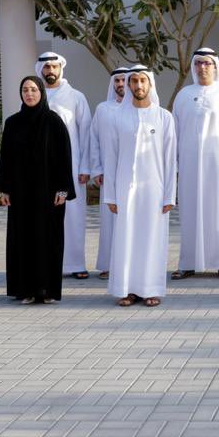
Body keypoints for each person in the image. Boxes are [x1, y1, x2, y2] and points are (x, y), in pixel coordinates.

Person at [102, 65, 176, 307]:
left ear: (150, 84)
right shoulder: (117, 117)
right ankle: (127, 289)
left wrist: (169, 196)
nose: (138, 86)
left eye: (142, 80)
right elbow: (110, 158)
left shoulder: (164, 117)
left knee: (151, 239)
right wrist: (110, 195)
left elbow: (169, 158)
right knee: (126, 238)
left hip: (154, 189)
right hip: (124, 189)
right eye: (133, 81)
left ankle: (150, 289)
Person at [0, 76, 76, 304]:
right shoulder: (13, 123)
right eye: (25, 90)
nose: (29, 94)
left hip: (48, 194)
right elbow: (6, 159)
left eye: (33, 89)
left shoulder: (54, 122)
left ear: (41, 92)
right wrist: (4, 189)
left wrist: (63, 190)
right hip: (21, 194)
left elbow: (65, 158)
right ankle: (26, 290)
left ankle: (47, 289)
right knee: (22, 239)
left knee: (48, 239)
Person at [171, 47, 219, 281]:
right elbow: (174, 133)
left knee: (216, 213)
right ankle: (187, 263)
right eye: (198, 63)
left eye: (207, 63)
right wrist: (175, 166)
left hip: (218, 164)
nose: (202, 67)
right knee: (189, 212)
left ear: (215, 66)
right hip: (189, 165)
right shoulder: (183, 95)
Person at [36, 52, 92, 280]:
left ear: (61, 68)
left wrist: (85, 167)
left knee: (74, 215)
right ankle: (49, 264)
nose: (50, 71)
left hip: (72, 164)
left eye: (54, 66)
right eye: (46, 67)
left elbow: (87, 133)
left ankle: (76, 264)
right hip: (41, 167)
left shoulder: (76, 97)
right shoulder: (34, 95)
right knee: (45, 215)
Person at [89, 66, 129, 280]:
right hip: (109, 175)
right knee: (109, 220)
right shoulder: (103, 109)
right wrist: (96, 169)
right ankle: (108, 264)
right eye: (117, 81)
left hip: (133, 175)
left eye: (124, 80)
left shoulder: (139, 109)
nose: (121, 84)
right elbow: (93, 140)